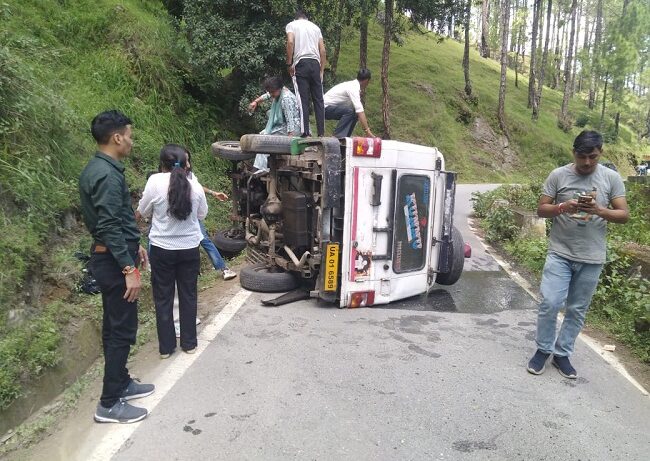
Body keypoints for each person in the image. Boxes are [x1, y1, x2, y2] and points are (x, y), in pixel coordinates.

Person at [527, 130, 629, 379]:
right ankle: (543, 349)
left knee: (577, 309)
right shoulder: (558, 175)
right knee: (549, 302)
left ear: (600, 153)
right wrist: (563, 206)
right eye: (582, 156)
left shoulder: (611, 178)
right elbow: (541, 210)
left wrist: (600, 210)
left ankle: (562, 354)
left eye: (592, 157)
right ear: (573, 153)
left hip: (592, 257)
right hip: (560, 253)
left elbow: (623, 215)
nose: (587, 163)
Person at [79, 110, 154, 424]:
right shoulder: (107, 175)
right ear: (117, 137)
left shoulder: (100, 168)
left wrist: (134, 244)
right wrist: (128, 268)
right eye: (130, 135)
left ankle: (121, 382)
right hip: (112, 262)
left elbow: (114, 220)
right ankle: (108, 404)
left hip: (113, 254)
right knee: (120, 330)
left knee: (117, 326)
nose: (132, 141)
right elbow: (108, 224)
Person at [137, 144, 208, 359]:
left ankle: (166, 348)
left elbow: (142, 211)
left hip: (162, 250)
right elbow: (202, 214)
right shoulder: (194, 186)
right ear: (186, 164)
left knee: (163, 298)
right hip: (189, 249)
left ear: (162, 164)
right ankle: (189, 343)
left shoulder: (154, 182)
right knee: (188, 295)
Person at [286, 9, 326, 137]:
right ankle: (321, 133)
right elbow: (323, 50)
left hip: (301, 63)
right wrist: (322, 70)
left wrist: (289, 63)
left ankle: (305, 133)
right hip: (315, 63)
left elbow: (290, 42)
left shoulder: (292, 25)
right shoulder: (315, 27)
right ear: (306, 18)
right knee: (318, 100)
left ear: (296, 18)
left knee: (303, 99)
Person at [248, 76, 301, 169]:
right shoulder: (281, 91)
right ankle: (262, 166)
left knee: (263, 140)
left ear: (279, 88)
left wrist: (289, 139)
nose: (271, 94)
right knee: (263, 135)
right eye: (270, 92)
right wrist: (256, 102)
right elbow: (267, 95)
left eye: (273, 92)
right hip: (284, 125)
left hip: (293, 128)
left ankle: (260, 169)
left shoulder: (285, 98)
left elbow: (290, 119)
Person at [324, 69, 375, 138]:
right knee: (350, 112)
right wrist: (367, 131)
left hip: (328, 107)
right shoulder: (353, 88)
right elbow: (360, 111)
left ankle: (345, 138)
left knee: (354, 113)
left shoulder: (352, 85)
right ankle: (337, 137)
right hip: (324, 109)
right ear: (366, 81)